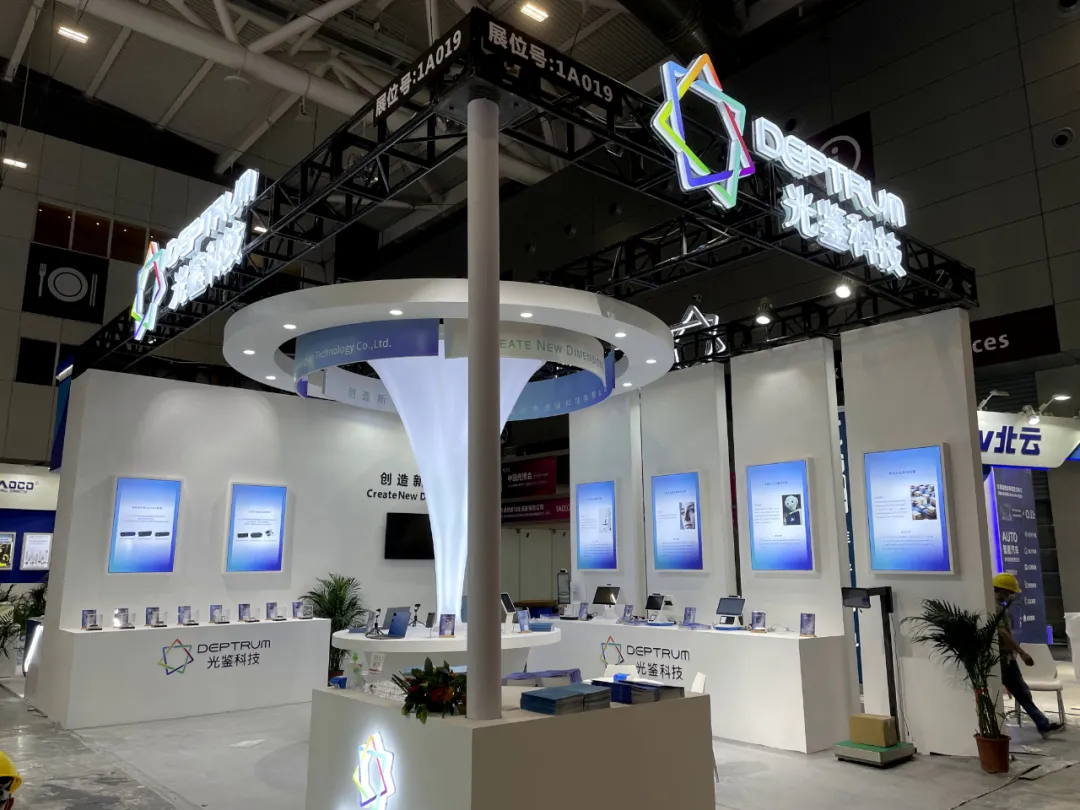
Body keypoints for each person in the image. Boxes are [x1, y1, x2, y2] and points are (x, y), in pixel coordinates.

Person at [993, 573, 1063, 737]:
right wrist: (1022, 653)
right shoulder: (996, 608)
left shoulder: (995, 606)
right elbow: (1003, 633)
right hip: (1002, 659)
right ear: (1002, 590)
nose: (1011, 595)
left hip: (1005, 659)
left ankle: (1043, 724)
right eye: (1009, 592)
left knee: (1022, 692)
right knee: (1021, 692)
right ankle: (1042, 725)